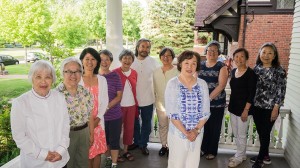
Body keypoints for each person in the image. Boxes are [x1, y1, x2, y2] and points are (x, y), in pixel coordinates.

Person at [11, 60, 70, 168]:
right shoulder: (20, 103)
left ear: (52, 79)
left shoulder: (60, 98)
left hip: (60, 161)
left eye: (48, 77)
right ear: (31, 78)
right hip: (35, 163)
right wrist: (43, 154)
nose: (43, 81)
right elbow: (19, 136)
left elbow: (65, 126)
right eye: (38, 77)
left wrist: (61, 150)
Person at [165, 50, 210, 168]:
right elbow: (171, 113)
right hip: (178, 133)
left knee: (193, 164)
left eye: (194, 63)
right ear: (180, 64)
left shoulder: (202, 84)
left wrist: (195, 131)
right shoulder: (172, 84)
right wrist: (186, 133)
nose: (190, 67)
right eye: (186, 63)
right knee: (177, 164)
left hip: (197, 133)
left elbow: (205, 112)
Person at [250, 43, 287, 168]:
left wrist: (276, 108)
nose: (266, 55)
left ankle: (260, 160)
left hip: (270, 108)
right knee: (261, 133)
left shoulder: (279, 71)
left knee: (265, 133)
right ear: (260, 54)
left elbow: (281, 91)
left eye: (270, 53)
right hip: (256, 106)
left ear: (274, 55)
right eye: (264, 52)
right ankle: (265, 155)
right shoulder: (256, 68)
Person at [57, 57, 94, 168]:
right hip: (66, 135)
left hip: (84, 132)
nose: (73, 75)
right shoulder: (56, 94)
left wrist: (91, 134)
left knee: (83, 163)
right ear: (62, 73)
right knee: (68, 164)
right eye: (68, 71)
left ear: (81, 73)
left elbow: (90, 114)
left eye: (77, 71)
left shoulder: (85, 91)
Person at [128, 38, 160, 155]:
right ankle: (136, 141)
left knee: (147, 123)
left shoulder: (153, 62)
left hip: (148, 98)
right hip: (133, 99)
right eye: (142, 46)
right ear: (137, 47)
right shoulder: (130, 61)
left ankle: (143, 144)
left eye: (147, 47)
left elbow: (159, 78)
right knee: (135, 122)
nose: (145, 49)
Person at [199, 40, 229, 160]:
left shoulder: (221, 66)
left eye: (214, 51)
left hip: (217, 103)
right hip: (202, 103)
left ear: (218, 53)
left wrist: (208, 98)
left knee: (214, 127)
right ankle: (203, 148)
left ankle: (212, 151)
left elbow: (221, 85)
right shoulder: (200, 65)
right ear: (206, 52)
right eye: (209, 50)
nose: (211, 52)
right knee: (203, 126)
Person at [79, 48, 109, 168]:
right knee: (86, 154)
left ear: (97, 62)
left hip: (98, 122)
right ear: (81, 61)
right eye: (87, 59)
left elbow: (104, 102)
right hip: (83, 125)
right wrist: (88, 124)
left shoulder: (102, 80)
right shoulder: (77, 80)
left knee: (97, 154)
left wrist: (97, 120)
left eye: (93, 59)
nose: (90, 62)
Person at [227, 48, 257, 167]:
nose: (239, 59)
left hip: (244, 110)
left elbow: (252, 94)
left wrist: (246, 110)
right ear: (233, 58)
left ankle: (238, 157)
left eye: (242, 56)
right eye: (236, 56)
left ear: (246, 58)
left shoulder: (251, 74)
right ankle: (242, 154)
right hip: (233, 107)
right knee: (236, 133)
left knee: (242, 134)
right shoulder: (233, 71)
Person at [99, 49, 123, 168]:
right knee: (104, 140)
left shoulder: (115, 76)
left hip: (114, 115)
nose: (104, 62)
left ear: (110, 61)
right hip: (99, 117)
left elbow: (119, 96)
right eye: (102, 59)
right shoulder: (94, 76)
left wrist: (106, 107)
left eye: (107, 59)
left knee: (114, 141)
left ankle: (114, 163)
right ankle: (108, 158)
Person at [153, 47, 178, 156]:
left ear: (172, 57)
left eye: (168, 56)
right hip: (160, 104)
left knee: (174, 127)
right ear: (160, 57)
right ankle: (164, 146)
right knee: (163, 126)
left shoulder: (178, 71)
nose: (166, 58)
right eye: (163, 55)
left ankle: (173, 147)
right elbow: (153, 87)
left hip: (174, 105)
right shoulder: (155, 71)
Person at [113, 49, 138, 161]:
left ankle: (126, 151)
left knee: (129, 129)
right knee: (117, 130)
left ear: (132, 60)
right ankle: (116, 152)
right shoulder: (114, 73)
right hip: (118, 106)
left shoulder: (134, 73)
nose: (127, 60)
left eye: (129, 58)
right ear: (120, 59)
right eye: (125, 58)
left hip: (131, 105)